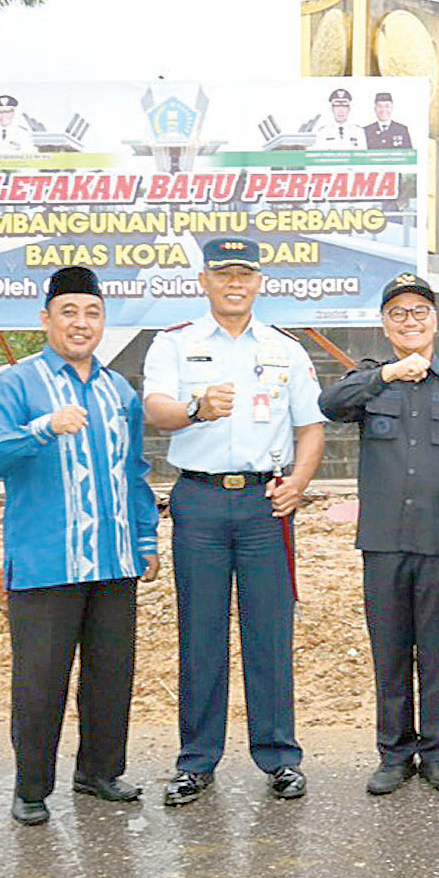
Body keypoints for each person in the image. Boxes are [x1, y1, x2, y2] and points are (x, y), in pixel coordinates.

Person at [0, 267, 160, 826]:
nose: (81, 323)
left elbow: (134, 470)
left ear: (103, 321)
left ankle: (99, 772)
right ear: (46, 319)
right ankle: (31, 788)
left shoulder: (117, 390)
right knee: (40, 681)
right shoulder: (15, 384)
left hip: (113, 557)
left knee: (110, 674)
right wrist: (42, 428)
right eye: (69, 312)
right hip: (44, 561)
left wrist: (145, 537)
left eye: (91, 313)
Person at [142, 236, 325, 806]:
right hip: (197, 501)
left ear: (259, 282)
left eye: (245, 274)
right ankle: (196, 762)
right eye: (223, 274)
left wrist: (300, 482)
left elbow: (311, 425)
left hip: (262, 505)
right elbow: (156, 409)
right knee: (201, 634)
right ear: (205, 281)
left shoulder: (284, 349)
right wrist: (196, 407)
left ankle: (279, 758)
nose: (234, 284)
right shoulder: (174, 343)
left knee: (269, 634)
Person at [319, 272, 439, 796]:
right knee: (390, 652)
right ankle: (394, 753)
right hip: (384, 542)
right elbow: (329, 405)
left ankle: (438, 752)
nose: (410, 321)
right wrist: (390, 374)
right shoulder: (371, 379)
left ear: (435, 320)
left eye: (420, 311)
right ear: (384, 324)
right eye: (398, 313)